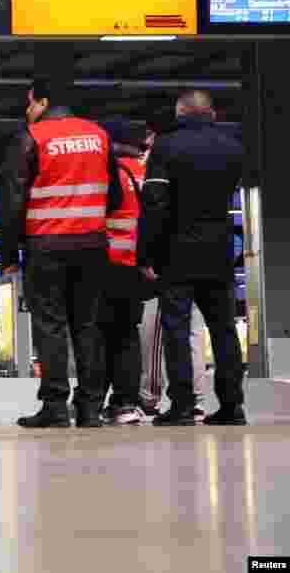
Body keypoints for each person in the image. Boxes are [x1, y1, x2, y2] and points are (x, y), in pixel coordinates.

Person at [1, 78, 122, 429]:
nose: (27, 111)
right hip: (92, 245)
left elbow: (13, 201)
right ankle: (89, 409)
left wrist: (8, 253)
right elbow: (113, 196)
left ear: (43, 102)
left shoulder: (32, 137)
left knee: (50, 325)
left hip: (47, 247)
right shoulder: (99, 136)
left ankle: (54, 406)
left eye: (29, 103)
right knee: (88, 326)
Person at [137, 90, 247, 426]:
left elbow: (155, 203)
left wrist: (146, 254)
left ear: (180, 113)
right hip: (218, 250)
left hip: (177, 251)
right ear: (211, 113)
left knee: (177, 329)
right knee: (223, 330)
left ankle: (183, 405)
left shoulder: (166, 147)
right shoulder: (232, 146)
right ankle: (232, 406)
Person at [138, 108, 208, 418]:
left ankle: (150, 395)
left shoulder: (157, 165)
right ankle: (196, 399)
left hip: (170, 257)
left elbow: (153, 212)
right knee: (194, 330)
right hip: (204, 254)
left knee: (156, 331)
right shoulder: (200, 161)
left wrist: (147, 255)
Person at [96, 118, 149, 425]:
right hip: (137, 268)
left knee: (100, 334)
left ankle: (94, 400)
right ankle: (126, 402)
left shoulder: (111, 173)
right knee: (128, 334)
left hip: (109, 264)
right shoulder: (150, 172)